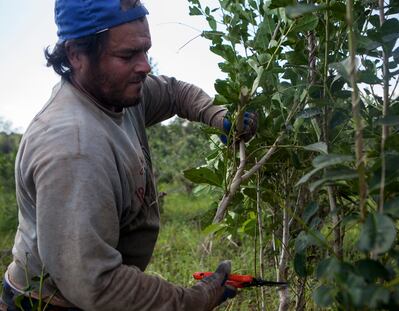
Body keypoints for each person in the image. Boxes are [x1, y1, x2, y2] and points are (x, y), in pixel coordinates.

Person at [1, 0, 258, 310]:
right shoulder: (73, 149)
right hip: (49, 302)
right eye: (127, 55)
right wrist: (194, 300)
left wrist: (218, 116)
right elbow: (98, 285)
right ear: (76, 54)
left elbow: (174, 92)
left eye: (145, 50)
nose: (145, 65)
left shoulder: (118, 94)